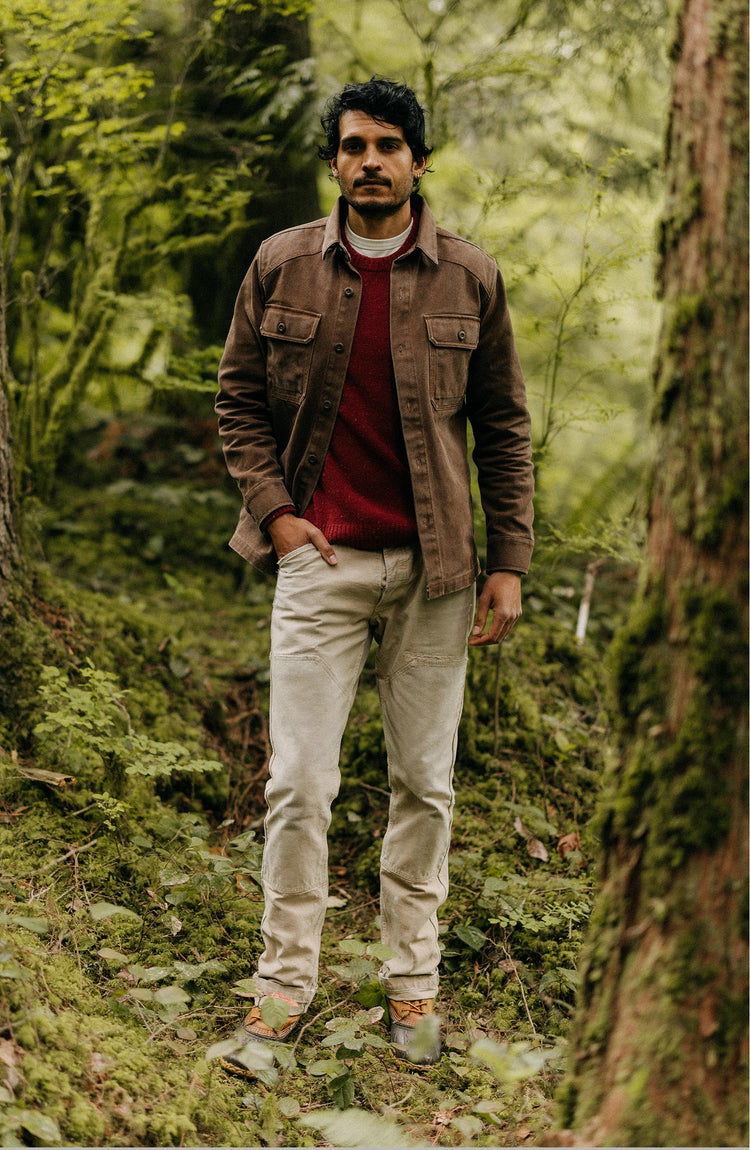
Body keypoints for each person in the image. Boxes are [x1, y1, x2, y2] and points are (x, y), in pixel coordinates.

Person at [215, 77, 534, 1071]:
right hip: (319, 561)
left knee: (425, 784)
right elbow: (236, 402)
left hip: (438, 571)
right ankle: (281, 990)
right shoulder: (280, 266)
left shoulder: (470, 278)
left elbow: (505, 426)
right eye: (354, 145)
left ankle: (413, 989)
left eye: (389, 145)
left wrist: (509, 561)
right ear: (334, 160)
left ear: (419, 162)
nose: (371, 161)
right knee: (301, 781)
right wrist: (277, 516)